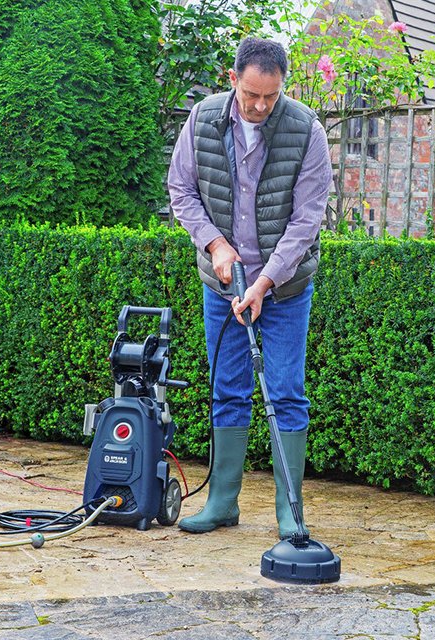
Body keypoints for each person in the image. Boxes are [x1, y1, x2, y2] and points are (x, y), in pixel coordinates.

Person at [167, 37, 332, 539]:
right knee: (228, 391)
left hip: (282, 287)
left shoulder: (307, 131)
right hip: (222, 285)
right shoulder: (202, 120)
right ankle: (221, 502)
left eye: (271, 97)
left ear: (283, 87)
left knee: (286, 394)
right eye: (251, 95)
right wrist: (215, 245)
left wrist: (263, 283)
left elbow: (307, 221)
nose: (260, 106)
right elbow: (182, 190)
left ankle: (290, 510)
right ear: (233, 79)